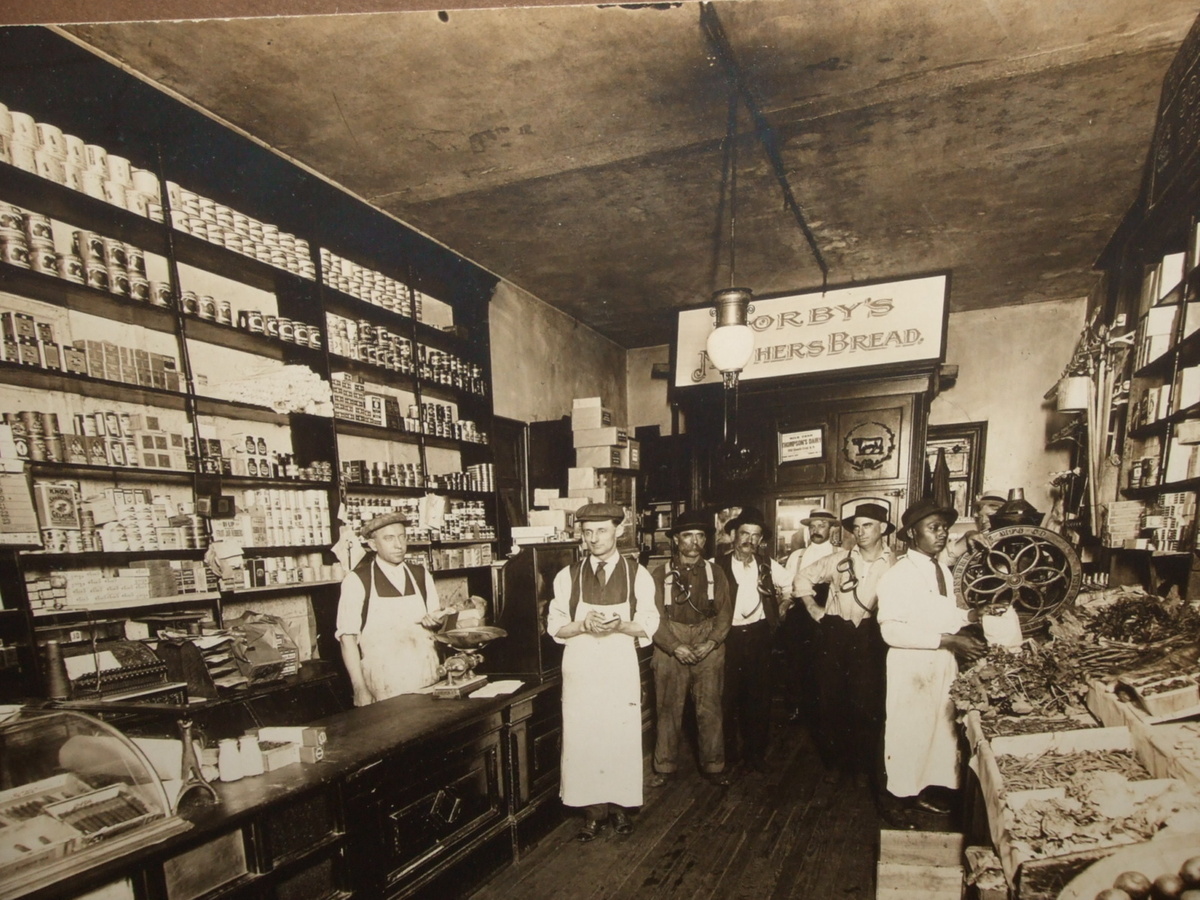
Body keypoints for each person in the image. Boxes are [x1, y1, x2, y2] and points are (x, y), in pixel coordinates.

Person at [877, 498, 1023, 814]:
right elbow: (890, 632)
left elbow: (942, 613)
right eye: (933, 528)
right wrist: (949, 641)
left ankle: (929, 789)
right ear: (912, 534)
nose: (941, 534)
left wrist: (973, 614)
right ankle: (900, 800)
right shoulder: (898, 576)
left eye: (943, 528)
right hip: (913, 665)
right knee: (911, 730)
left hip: (940, 659)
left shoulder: (939, 567)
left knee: (939, 729)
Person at [548, 502, 659, 842]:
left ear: (619, 531)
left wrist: (620, 624)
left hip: (617, 667)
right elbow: (555, 628)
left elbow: (650, 623)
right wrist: (582, 624)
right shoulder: (567, 576)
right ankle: (593, 813)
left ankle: (622, 809)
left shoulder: (637, 574)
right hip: (581, 669)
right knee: (584, 740)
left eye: (602, 531)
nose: (594, 539)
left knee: (620, 737)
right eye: (587, 532)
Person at [791, 502, 895, 786]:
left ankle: (862, 767)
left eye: (868, 525)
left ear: (883, 528)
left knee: (867, 703)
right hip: (836, 635)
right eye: (856, 527)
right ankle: (835, 762)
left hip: (872, 637)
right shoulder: (839, 559)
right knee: (830, 700)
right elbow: (801, 578)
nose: (860, 532)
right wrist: (814, 609)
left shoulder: (896, 563)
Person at [649, 510, 734, 787]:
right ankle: (664, 766)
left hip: (708, 641)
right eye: (688, 535)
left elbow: (724, 614)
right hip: (669, 641)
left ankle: (714, 765)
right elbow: (653, 618)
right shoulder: (658, 574)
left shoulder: (716, 572)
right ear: (676, 539)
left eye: (700, 536)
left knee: (709, 708)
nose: (695, 542)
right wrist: (674, 647)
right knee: (668, 708)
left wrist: (712, 643)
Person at [335, 511, 448, 706]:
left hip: (427, 678)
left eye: (402, 537)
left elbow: (437, 623)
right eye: (389, 538)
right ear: (372, 544)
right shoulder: (357, 580)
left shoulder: (420, 574)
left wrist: (437, 621)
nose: (399, 545)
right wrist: (360, 688)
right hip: (384, 684)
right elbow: (348, 639)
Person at [716, 507, 792, 773]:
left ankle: (755, 754)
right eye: (744, 533)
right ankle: (728, 755)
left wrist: (782, 605)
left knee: (758, 699)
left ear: (761, 540)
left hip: (759, 636)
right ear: (734, 535)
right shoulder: (718, 566)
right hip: (729, 638)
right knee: (726, 699)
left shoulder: (767, 564)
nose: (749, 540)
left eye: (755, 536)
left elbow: (792, 584)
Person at [780, 509, 839, 728]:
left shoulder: (841, 553)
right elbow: (787, 586)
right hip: (800, 614)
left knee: (823, 662)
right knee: (796, 662)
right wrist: (785, 604)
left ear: (831, 528)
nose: (816, 530)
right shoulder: (798, 556)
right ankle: (795, 707)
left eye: (821, 525)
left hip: (827, 612)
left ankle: (821, 709)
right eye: (812, 526)